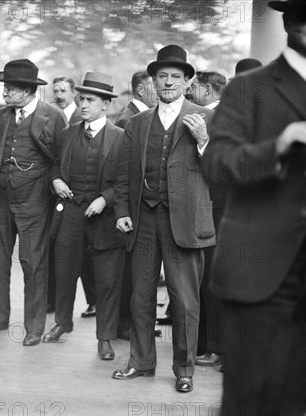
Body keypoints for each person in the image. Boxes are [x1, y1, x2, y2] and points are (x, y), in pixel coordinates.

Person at [202, 0, 306, 416]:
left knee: (294, 396)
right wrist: (277, 147)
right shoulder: (249, 87)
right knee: (247, 397)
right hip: (258, 267)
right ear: (288, 19)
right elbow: (218, 162)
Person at [112, 45, 215, 393]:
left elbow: (223, 172)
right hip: (143, 220)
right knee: (140, 297)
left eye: (175, 77)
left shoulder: (208, 118)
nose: (168, 82)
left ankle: (184, 369)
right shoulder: (138, 123)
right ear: (152, 83)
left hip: (185, 224)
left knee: (184, 300)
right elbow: (125, 174)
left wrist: (203, 140)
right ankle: (140, 362)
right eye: (162, 77)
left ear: (188, 82)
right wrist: (123, 211)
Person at [0, 59, 67, 346]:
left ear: (26, 90)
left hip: (35, 202)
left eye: (10, 89)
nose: (5, 94)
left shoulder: (54, 116)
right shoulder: (0, 117)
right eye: (5, 89)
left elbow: (61, 160)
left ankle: (34, 327)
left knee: (33, 263)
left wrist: (55, 182)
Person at [43, 71, 126, 361]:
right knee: (65, 272)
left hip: (104, 219)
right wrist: (56, 181)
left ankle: (104, 338)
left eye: (91, 100)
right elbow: (54, 167)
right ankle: (62, 323)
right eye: (82, 99)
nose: (84, 105)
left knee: (106, 280)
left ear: (106, 105)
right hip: (71, 215)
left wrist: (106, 199)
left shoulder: (120, 138)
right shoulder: (68, 134)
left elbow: (128, 180)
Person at [186, 70, 228, 369]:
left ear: (209, 90)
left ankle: (215, 347)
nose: (189, 91)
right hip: (201, 209)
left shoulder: (223, 118)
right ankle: (203, 344)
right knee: (199, 280)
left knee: (211, 280)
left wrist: (203, 139)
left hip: (218, 210)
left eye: (194, 87)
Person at [114, 70, 159, 342]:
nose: (159, 90)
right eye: (153, 86)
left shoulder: (142, 116)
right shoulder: (128, 119)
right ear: (141, 89)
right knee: (130, 273)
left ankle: (135, 323)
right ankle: (126, 324)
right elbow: (122, 170)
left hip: (142, 209)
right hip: (132, 208)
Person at [49, 75, 96, 317]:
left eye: (63, 90)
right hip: (59, 199)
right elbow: (53, 160)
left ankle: (93, 300)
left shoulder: (82, 117)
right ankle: (56, 305)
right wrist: (55, 180)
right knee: (60, 253)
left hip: (89, 201)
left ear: (73, 94)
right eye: (54, 90)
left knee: (87, 256)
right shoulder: (52, 117)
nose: (58, 95)